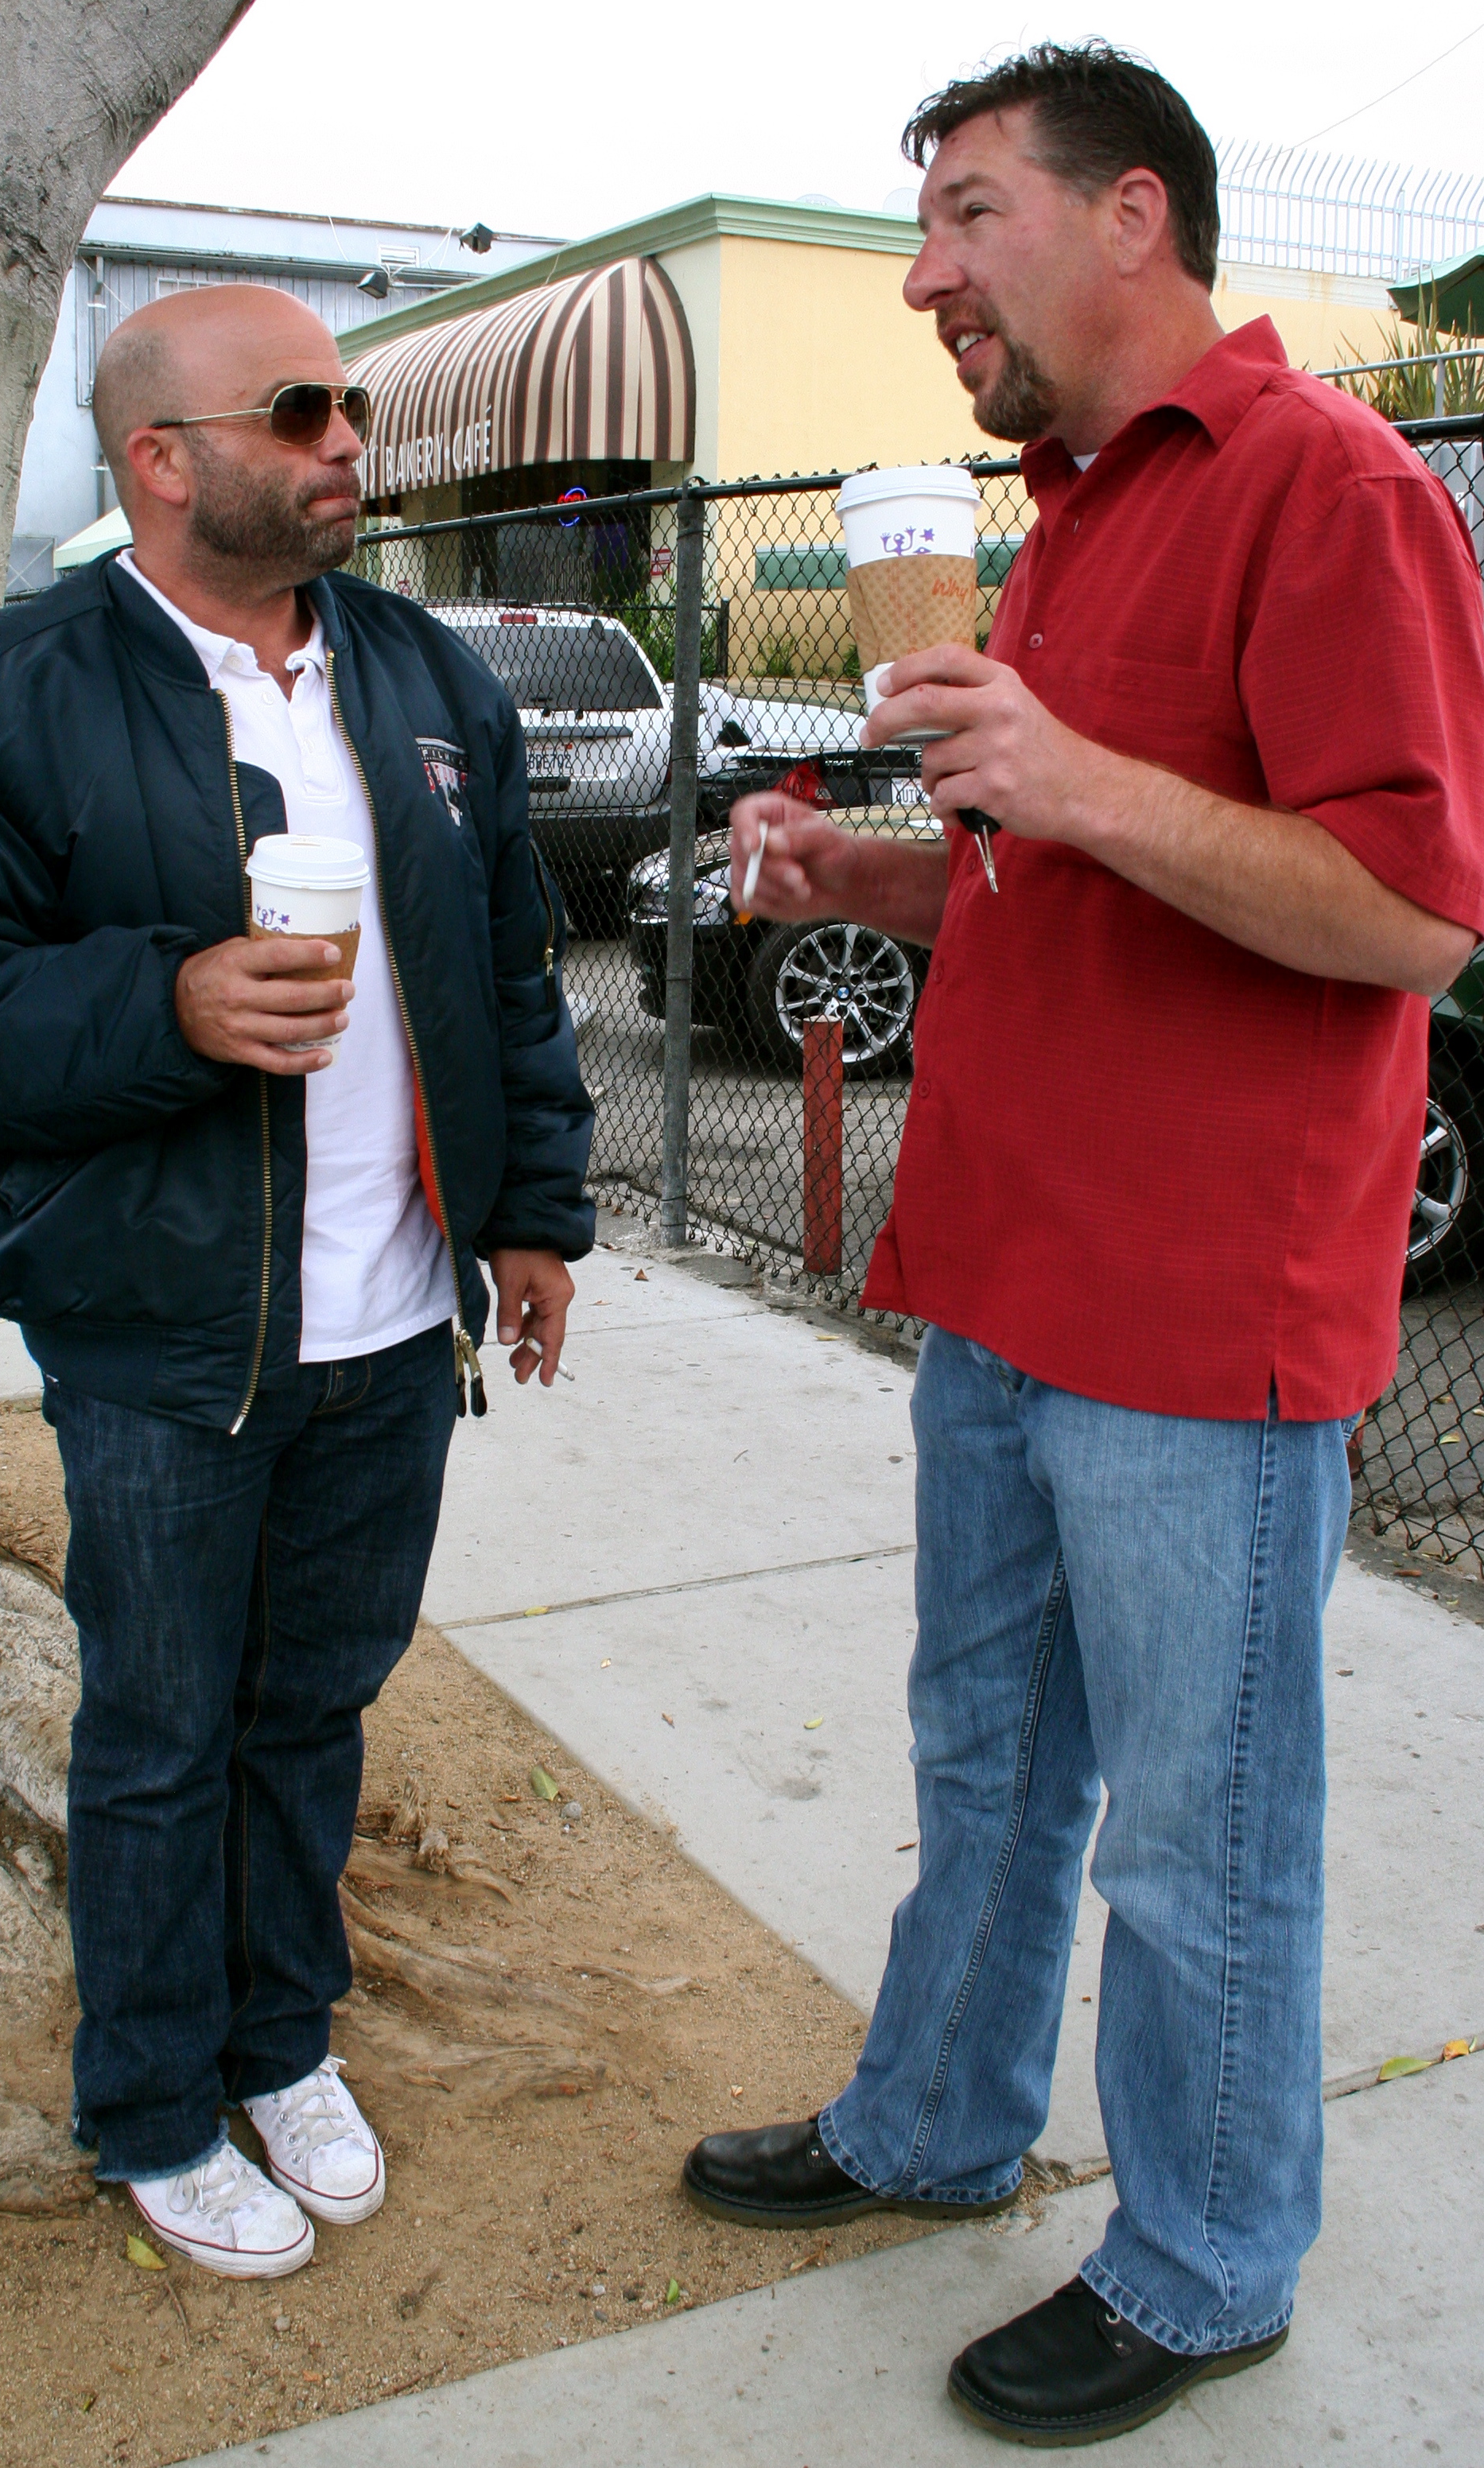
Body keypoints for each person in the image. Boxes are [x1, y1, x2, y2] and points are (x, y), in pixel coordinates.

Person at [682, 42, 1484, 2447]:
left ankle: (1204, 2257)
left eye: (957, 216)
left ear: (1128, 217)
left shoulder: (1328, 491)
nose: (921, 275)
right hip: (1008, 1278)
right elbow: (1076, 868)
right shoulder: (1066, 509)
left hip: (1193, 1322)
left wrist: (1058, 772)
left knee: (1195, 1836)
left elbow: (1406, 915)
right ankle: (930, 2128)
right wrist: (886, 870)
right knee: (982, 1764)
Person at [0, 284, 592, 2280]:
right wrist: (167, 1003)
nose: (349, 441)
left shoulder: (428, 678)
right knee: (161, 1731)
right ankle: (153, 2102)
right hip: (171, 1341)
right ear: (159, 461)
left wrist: (531, 1216)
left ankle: (281, 2038)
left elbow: (511, 975)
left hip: (390, 1323)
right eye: (298, 411)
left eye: (349, 405)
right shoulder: (4, 702)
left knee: (314, 1710)